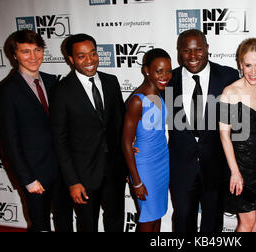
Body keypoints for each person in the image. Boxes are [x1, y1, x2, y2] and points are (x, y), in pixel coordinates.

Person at [0, 30, 73, 232]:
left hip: (62, 172)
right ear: (15, 55)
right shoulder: (5, 91)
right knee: (40, 226)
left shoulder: (53, 82)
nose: (33, 57)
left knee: (65, 222)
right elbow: (9, 142)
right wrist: (28, 179)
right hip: (35, 175)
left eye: (37, 50)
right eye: (25, 52)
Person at [50, 33, 127, 232]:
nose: (90, 60)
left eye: (93, 53)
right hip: (83, 175)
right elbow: (60, 141)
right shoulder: (61, 91)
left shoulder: (112, 81)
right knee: (87, 225)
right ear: (71, 59)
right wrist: (73, 181)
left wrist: (127, 162)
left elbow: (119, 123)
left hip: (114, 170)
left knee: (116, 221)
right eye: (82, 56)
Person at [166, 29, 239, 232]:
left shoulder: (228, 76)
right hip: (181, 165)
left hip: (216, 164)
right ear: (179, 52)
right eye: (186, 51)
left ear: (207, 48)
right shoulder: (169, 79)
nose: (193, 56)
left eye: (198, 49)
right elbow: (146, 103)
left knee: (213, 222)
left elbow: (242, 116)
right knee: (182, 220)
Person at [219, 38, 256, 232]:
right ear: (240, 65)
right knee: (248, 221)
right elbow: (224, 135)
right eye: (248, 65)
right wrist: (235, 172)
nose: (253, 71)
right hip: (243, 166)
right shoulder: (230, 92)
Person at [122, 48, 172, 232]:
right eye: (159, 71)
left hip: (162, 161)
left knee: (157, 214)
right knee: (147, 217)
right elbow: (126, 143)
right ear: (146, 70)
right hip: (145, 166)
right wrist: (136, 181)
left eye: (168, 71)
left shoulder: (159, 94)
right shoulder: (137, 100)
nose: (165, 76)